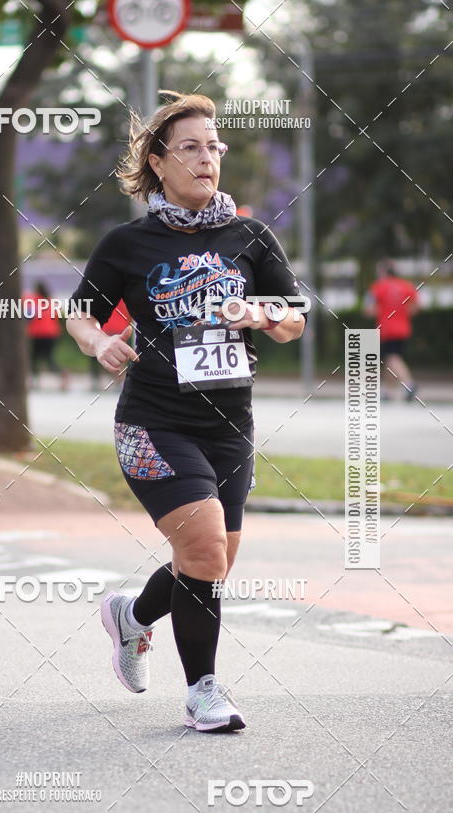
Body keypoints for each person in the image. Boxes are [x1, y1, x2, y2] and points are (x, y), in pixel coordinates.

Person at [67, 91, 307, 733]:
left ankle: (132, 617)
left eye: (215, 147)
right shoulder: (128, 242)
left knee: (211, 560)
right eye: (192, 148)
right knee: (202, 551)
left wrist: (260, 313)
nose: (208, 159)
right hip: (153, 420)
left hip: (232, 424)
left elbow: (294, 320)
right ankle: (204, 691)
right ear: (159, 162)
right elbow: (80, 312)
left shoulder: (250, 236)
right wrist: (100, 342)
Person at [364, 260, 419, 401]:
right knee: (390, 359)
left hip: (386, 329)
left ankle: (409, 384)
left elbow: (368, 310)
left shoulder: (378, 287)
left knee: (392, 358)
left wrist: (380, 311)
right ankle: (388, 392)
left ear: (383, 272)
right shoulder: (406, 286)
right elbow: (415, 307)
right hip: (403, 328)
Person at [24, 280, 69, 390]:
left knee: (33, 359)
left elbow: (28, 316)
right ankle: (63, 374)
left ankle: (34, 382)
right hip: (52, 334)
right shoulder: (52, 302)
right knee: (49, 359)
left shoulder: (32, 301)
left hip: (37, 334)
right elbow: (57, 317)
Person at [88, 299, 132, 391]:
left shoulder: (105, 295)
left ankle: (98, 380)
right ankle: (120, 381)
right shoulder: (125, 298)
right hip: (121, 329)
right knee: (119, 359)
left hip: (106, 328)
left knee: (101, 357)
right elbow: (130, 314)